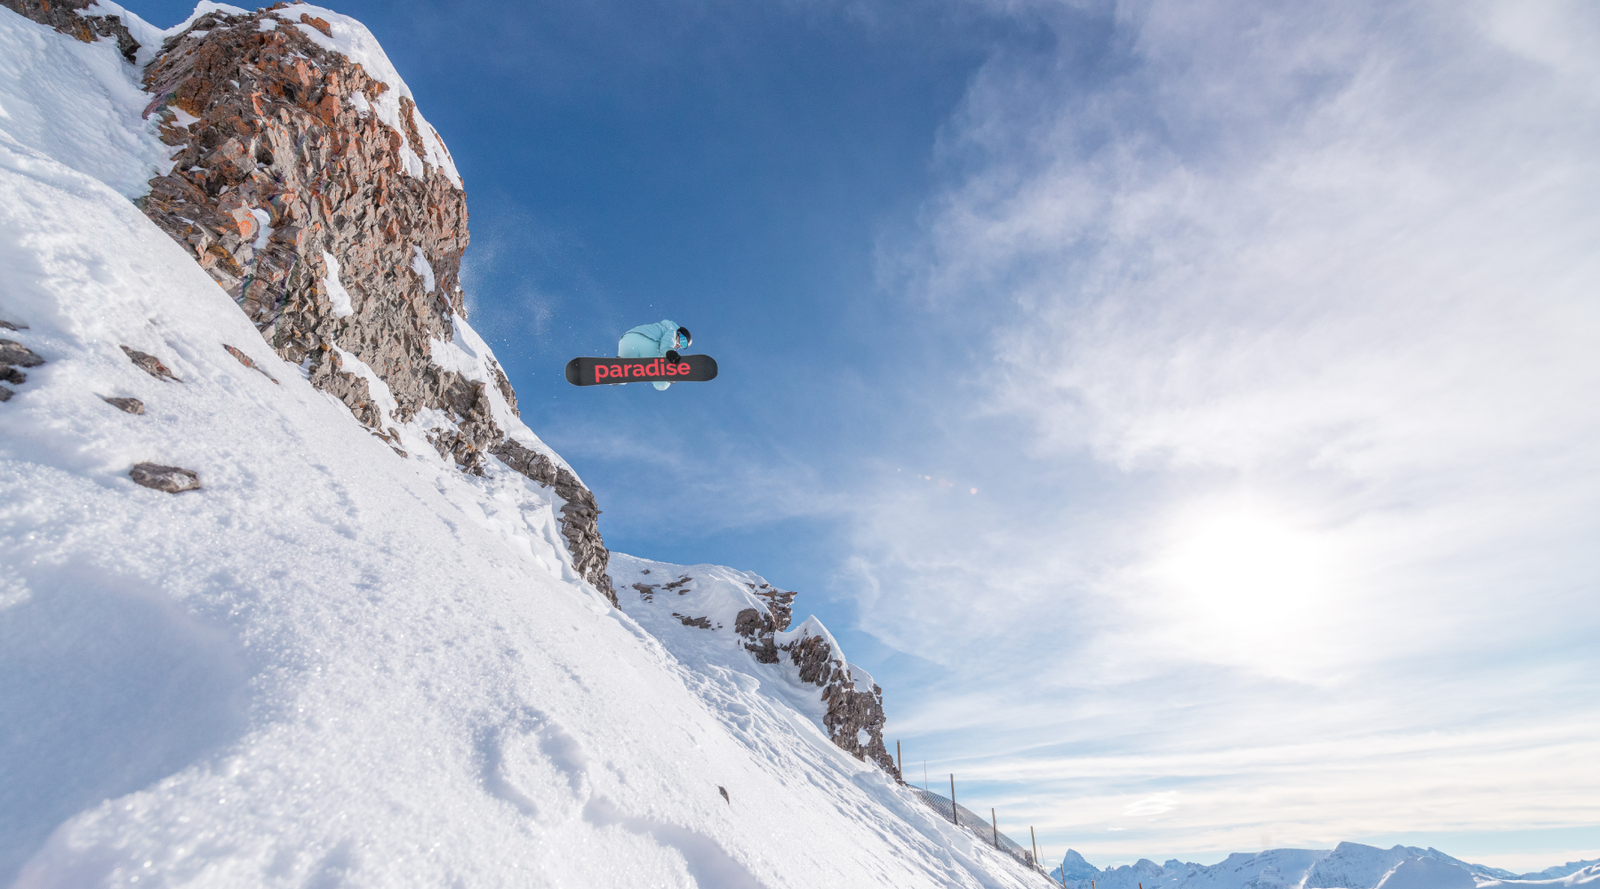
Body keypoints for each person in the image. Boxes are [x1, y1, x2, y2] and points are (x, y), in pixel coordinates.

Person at [617, 320, 692, 390]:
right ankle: (667, 375)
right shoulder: (672, 330)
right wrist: (669, 352)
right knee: (662, 384)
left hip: (626, 340)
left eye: (683, 346)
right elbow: (666, 345)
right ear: (679, 333)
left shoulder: (660, 327)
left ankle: (617, 372)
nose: (679, 345)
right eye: (683, 341)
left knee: (625, 373)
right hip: (648, 342)